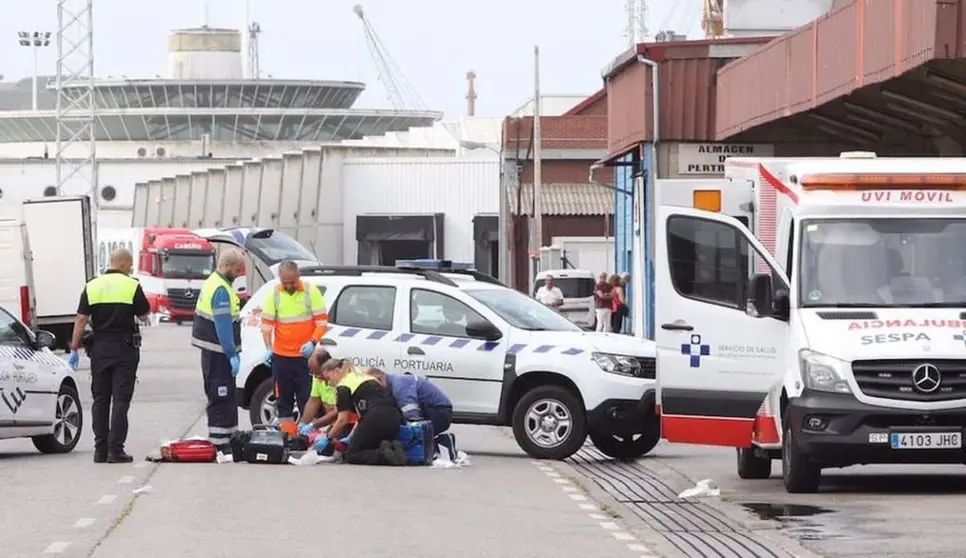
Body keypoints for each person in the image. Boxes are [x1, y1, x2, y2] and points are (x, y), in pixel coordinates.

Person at [67, 248, 151, 463]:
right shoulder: (132, 285)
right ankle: (116, 449)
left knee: (101, 399)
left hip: (100, 349)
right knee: (121, 400)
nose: (130, 268)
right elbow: (143, 314)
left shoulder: (92, 285)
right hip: (124, 349)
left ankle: (100, 450)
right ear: (122, 264)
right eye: (130, 264)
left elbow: (81, 320)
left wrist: (74, 349)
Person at [259, 261, 328, 429]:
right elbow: (267, 326)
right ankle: (288, 438)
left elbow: (322, 323)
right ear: (280, 279)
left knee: (307, 399)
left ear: (298, 276)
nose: (289, 286)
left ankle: (305, 439)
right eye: (285, 282)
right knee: (283, 402)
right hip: (281, 358)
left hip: (304, 358)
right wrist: (268, 348)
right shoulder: (274, 295)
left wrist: (312, 342)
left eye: (292, 281)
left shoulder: (310, 292)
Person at [191, 249, 246, 452]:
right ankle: (220, 442)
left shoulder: (215, 283)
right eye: (237, 269)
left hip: (214, 351)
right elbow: (223, 326)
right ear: (227, 266)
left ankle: (228, 437)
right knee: (221, 395)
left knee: (225, 395)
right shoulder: (221, 289)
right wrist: (232, 354)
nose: (239, 274)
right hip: (218, 352)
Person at [318, 357, 408, 466]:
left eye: (329, 378)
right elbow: (361, 417)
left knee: (352, 454)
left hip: (377, 417)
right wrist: (350, 438)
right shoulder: (364, 377)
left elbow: (342, 420)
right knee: (366, 446)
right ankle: (393, 448)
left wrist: (327, 438)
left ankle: (384, 454)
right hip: (395, 416)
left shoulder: (343, 386)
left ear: (337, 371)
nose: (329, 383)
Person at [366, 368, 459, 461]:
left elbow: (412, 415)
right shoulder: (394, 383)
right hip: (435, 409)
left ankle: (443, 443)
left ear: (380, 379)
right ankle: (433, 445)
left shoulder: (400, 386)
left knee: (409, 434)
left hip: (440, 412)